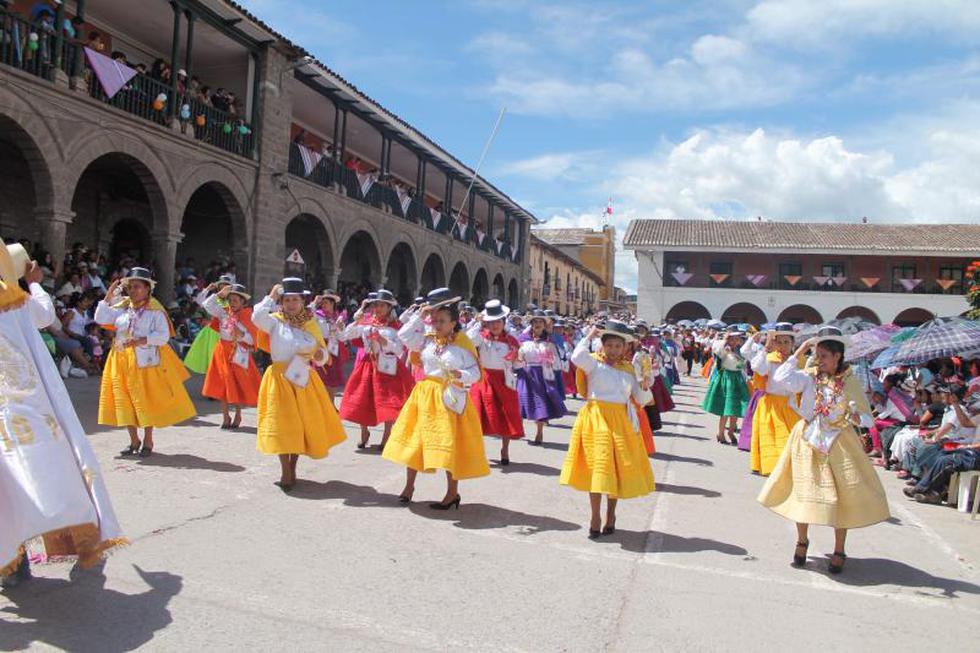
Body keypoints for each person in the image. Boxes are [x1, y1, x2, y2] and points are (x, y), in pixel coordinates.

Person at [0, 244, 125, 585]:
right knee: (29, 476)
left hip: (15, 410)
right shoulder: (14, 299)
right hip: (25, 409)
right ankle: (16, 560)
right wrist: (34, 282)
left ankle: (12, 561)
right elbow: (45, 315)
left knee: (10, 482)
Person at [758, 327, 890, 574]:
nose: (819, 360)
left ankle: (839, 549)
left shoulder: (849, 382)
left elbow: (867, 419)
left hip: (839, 441)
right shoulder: (809, 376)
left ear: (837, 356)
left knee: (842, 495)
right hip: (808, 436)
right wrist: (800, 349)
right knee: (803, 490)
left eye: (824, 356)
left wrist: (855, 416)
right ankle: (802, 541)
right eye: (817, 355)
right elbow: (782, 378)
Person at [383, 288, 489, 508]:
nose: (436, 324)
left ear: (453, 323)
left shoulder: (463, 344)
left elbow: (476, 373)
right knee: (416, 442)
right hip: (424, 395)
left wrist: (461, 375)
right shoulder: (428, 340)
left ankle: (452, 493)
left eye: (442, 321)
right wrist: (420, 315)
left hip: (449, 398)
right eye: (434, 320)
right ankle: (409, 487)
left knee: (448, 445)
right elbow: (403, 336)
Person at [561, 321, 655, 538]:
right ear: (602, 345)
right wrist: (589, 335)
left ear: (625, 348)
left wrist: (645, 384)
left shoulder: (629, 370)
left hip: (620, 421)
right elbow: (576, 357)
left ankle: (610, 514)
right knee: (598, 468)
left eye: (618, 346)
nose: (613, 350)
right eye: (609, 345)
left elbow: (641, 399)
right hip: (596, 420)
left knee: (616, 469)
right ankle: (595, 516)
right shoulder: (594, 363)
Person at [252, 278, 346, 491]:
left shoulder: (311, 323)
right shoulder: (275, 321)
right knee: (281, 425)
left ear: (303, 301)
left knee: (298, 425)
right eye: (287, 300)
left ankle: (293, 466)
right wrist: (270, 297)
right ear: (281, 302)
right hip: (279, 379)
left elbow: (322, 356)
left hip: (302, 378)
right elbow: (256, 317)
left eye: (295, 300)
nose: (291, 304)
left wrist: (320, 355)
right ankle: (285, 469)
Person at [95, 268, 197, 457]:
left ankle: (148, 440)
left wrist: (142, 340)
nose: (133, 291)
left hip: (144, 361)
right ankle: (133, 440)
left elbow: (163, 336)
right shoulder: (122, 307)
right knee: (124, 399)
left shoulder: (155, 311)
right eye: (130, 287)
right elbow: (100, 318)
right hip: (120, 359)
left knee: (144, 400)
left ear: (147, 289)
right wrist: (108, 297)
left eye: (137, 287)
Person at [339, 289, 413, 449]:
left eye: (382, 305)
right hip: (367, 364)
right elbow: (345, 336)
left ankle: (387, 434)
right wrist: (356, 321)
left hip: (387, 366)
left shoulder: (395, 327)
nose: (377, 309)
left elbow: (399, 349)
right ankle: (364, 432)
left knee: (387, 401)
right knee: (362, 399)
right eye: (376, 305)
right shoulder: (366, 322)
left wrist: (383, 341)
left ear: (389, 307)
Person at [467, 300, 524, 464]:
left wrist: (519, 359)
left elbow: (517, 365)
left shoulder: (512, 341)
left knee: (507, 415)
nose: (495, 325)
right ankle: (478, 450)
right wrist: (478, 323)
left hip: (505, 381)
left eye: (498, 321)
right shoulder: (481, 338)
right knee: (478, 415)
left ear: (504, 322)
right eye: (491, 322)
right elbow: (469, 341)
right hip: (484, 380)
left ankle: (505, 449)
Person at [201, 283, 261, 429]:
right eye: (230, 300)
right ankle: (225, 416)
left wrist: (242, 335)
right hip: (222, 351)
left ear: (242, 302)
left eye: (235, 300)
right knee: (223, 383)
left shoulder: (247, 317)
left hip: (238, 352)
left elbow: (253, 340)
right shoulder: (223, 313)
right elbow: (207, 304)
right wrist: (219, 294)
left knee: (237, 383)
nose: (232, 303)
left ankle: (238, 414)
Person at [748, 324, 802, 476]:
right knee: (770, 438)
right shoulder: (770, 359)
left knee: (788, 437)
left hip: (790, 405)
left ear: (793, 343)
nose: (783, 346)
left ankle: (786, 468)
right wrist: (766, 348)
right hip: (770, 404)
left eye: (786, 342)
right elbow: (757, 367)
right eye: (779, 342)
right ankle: (771, 467)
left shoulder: (798, 361)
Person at [516, 310, 566, 444]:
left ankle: (539, 432)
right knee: (522, 401)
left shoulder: (549, 342)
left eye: (540, 322)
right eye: (535, 322)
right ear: (531, 325)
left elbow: (558, 361)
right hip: (526, 374)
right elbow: (517, 357)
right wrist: (519, 362)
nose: (537, 324)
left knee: (540, 403)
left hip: (542, 375)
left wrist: (550, 360)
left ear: (544, 325)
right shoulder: (523, 340)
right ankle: (519, 429)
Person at [702, 329, 749, 445]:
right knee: (726, 409)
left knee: (737, 408)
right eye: (732, 339)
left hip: (738, 379)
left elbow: (742, 365)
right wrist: (724, 341)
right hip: (727, 378)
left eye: (737, 339)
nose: (735, 341)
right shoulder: (723, 348)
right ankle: (721, 433)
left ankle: (731, 431)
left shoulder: (740, 350)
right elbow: (717, 351)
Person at [183, 275, 233, 374]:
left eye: (226, 286)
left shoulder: (232, 300)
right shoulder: (214, 298)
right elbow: (199, 302)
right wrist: (207, 289)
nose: (224, 288)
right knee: (212, 358)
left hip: (228, 332)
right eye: (222, 286)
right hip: (213, 331)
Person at [311, 290, 348, 400]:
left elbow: (342, 338)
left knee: (331, 380)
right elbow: (306, 314)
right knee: (319, 377)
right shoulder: (317, 315)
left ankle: (331, 403)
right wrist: (314, 303)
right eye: (322, 302)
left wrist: (341, 328)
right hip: (320, 349)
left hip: (333, 350)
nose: (323, 305)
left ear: (332, 304)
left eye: (326, 302)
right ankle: (321, 403)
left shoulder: (338, 318)